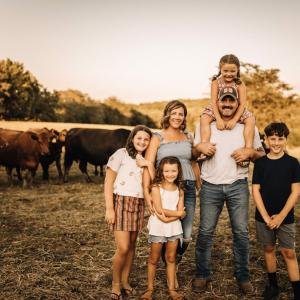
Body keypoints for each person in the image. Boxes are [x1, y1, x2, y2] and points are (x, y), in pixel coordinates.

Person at [192, 86, 265, 295]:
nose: (226, 104)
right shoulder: (207, 124)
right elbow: (193, 152)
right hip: (210, 186)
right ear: (218, 102)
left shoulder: (246, 125)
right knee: (205, 232)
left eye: (231, 101)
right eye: (223, 100)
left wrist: (249, 151)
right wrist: (200, 149)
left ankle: (243, 276)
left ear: (237, 103)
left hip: (237, 185)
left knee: (241, 233)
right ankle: (202, 274)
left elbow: (261, 154)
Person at [143, 100, 198, 263]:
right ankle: (169, 262)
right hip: (165, 189)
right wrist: (147, 194)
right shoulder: (157, 137)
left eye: (181, 114)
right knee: (165, 228)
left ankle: (173, 258)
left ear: (184, 117)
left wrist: (199, 183)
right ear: (167, 115)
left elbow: (193, 162)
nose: (177, 117)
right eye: (174, 113)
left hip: (187, 186)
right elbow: (148, 164)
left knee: (186, 235)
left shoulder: (188, 136)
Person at [104, 125, 154, 300]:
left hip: (138, 203)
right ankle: (115, 284)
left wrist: (147, 164)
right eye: (139, 138)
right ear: (132, 138)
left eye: (146, 139)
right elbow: (108, 183)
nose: (142, 141)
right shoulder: (121, 154)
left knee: (132, 246)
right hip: (121, 202)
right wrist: (110, 208)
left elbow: (153, 182)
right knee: (123, 247)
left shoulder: (147, 159)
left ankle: (125, 281)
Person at [252, 122, 300, 300]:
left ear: (286, 140)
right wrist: (265, 216)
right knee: (269, 248)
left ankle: (297, 290)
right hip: (263, 216)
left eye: (280, 139)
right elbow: (256, 190)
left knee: (288, 252)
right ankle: (273, 286)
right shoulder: (261, 163)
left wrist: (280, 216)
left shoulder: (292, 163)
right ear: (265, 140)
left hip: (285, 217)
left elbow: (296, 191)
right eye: (272, 139)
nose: (276, 143)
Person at [141, 156, 185, 300]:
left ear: (178, 171)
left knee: (171, 258)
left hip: (174, 228)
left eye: (173, 171)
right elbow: (160, 209)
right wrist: (178, 214)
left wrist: (171, 217)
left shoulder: (180, 190)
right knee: (153, 258)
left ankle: (172, 289)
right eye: (167, 171)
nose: (170, 174)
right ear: (161, 171)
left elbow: (177, 213)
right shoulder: (156, 187)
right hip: (158, 227)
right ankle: (149, 289)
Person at [199, 54, 255, 166]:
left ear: (238, 70)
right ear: (220, 69)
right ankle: (205, 145)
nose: (229, 74)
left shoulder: (240, 84)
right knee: (204, 117)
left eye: (232, 71)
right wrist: (219, 119)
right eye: (225, 70)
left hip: (236, 109)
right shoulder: (215, 82)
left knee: (251, 119)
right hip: (217, 108)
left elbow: (242, 104)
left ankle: (247, 149)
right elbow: (214, 102)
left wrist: (234, 120)